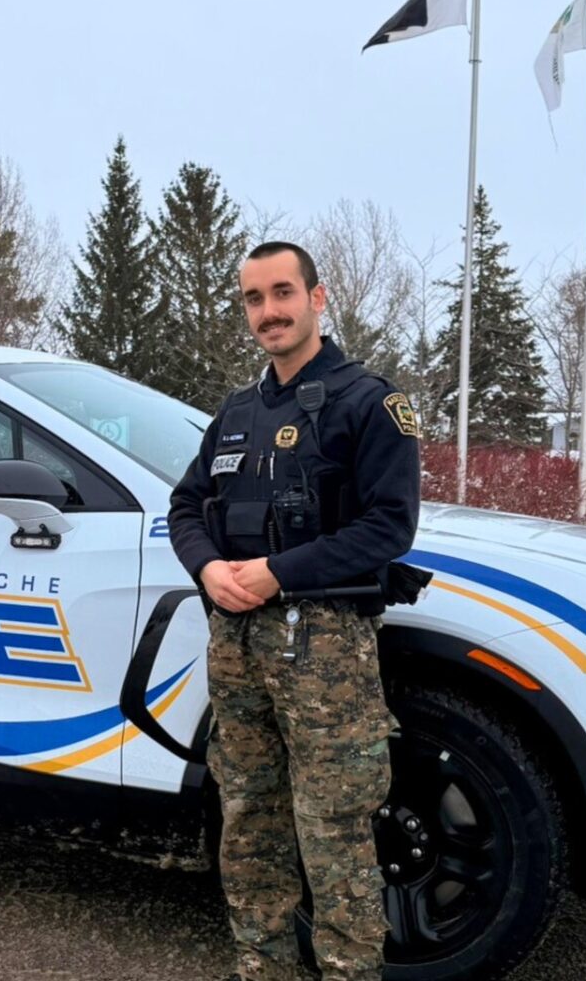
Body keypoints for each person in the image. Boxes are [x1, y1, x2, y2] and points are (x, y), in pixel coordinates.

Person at [167, 242, 424, 981]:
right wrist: (208, 567)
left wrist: (279, 573)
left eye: (282, 292)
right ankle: (262, 969)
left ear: (318, 296)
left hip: (325, 649)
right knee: (249, 819)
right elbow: (186, 504)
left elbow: (388, 526)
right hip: (238, 643)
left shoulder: (369, 403)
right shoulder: (239, 412)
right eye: (254, 298)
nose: (268, 312)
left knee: (335, 830)